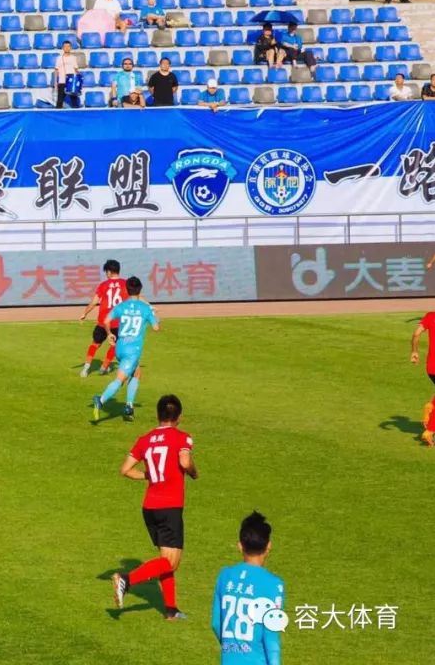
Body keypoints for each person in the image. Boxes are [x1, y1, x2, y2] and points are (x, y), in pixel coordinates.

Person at [111, 394, 197, 620]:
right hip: (170, 506)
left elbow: (125, 470)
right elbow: (185, 462)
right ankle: (126, 580)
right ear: (179, 417)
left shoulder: (145, 439)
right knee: (170, 562)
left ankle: (171, 610)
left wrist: (147, 475)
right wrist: (193, 472)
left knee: (165, 559)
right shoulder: (182, 437)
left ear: (158, 415)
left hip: (150, 507)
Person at [211, 512, 285, 665]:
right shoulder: (273, 584)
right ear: (269, 546)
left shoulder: (225, 576)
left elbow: (216, 623)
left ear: (240, 546)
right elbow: (271, 636)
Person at [93, 276, 160, 422]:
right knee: (120, 380)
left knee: (136, 373)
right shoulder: (145, 308)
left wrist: (109, 334)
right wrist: (154, 314)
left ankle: (129, 406)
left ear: (126, 290)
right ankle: (101, 400)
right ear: (140, 290)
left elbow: (106, 320)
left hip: (120, 346)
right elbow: (156, 328)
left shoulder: (121, 306)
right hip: (132, 350)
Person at [79, 259, 127, 377]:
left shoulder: (103, 285)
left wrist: (85, 313)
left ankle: (86, 368)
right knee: (114, 345)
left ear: (109, 272)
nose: (106, 274)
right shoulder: (125, 284)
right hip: (118, 322)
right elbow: (136, 297)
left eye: (106, 272)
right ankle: (104, 367)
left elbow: (94, 302)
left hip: (103, 321)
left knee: (95, 344)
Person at [409, 310, 435, 447]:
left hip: (431, 367)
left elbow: (416, 334)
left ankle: (431, 407)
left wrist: (414, 352)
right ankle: (430, 430)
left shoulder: (430, 316)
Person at [54, 40, 82, 108]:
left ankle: (75, 112)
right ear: (63, 48)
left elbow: (76, 70)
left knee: (74, 99)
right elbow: (56, 70)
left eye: (68, 46)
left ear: (71, 48)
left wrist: (80, 80)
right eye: (65, 46)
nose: (67, 48)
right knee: (60, 100)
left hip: (71, 81)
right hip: (62, 81)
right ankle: (58, 112)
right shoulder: (59, 58)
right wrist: (55, 82)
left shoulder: (73, 58)